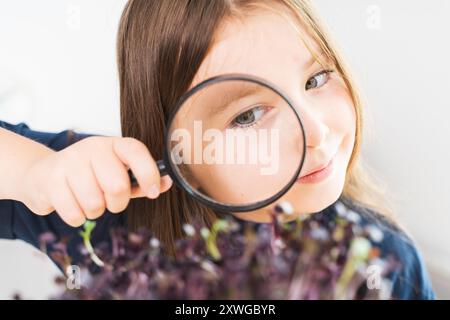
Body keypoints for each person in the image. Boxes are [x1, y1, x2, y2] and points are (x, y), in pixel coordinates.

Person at [0, 0, 435, 299]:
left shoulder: (386, 262)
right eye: (247, 116)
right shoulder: (97, 204)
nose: (316, 132)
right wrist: (36, 173)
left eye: (316, 79)